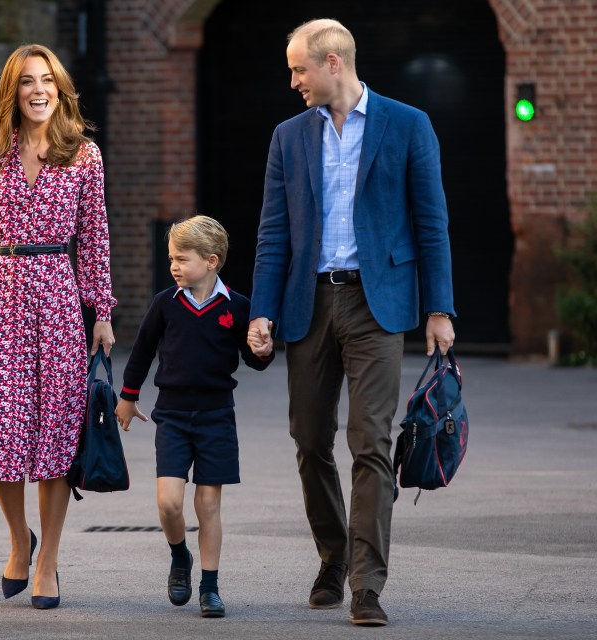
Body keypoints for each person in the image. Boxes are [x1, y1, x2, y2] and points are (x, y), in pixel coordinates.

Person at [248, 19, 456, 627]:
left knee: (370, 440)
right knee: (309, 440)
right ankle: (332, 555)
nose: (293, 82)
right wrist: (261, 310)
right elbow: (273, 233)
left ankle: (366, 583)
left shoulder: (409, 124)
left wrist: (439, 309)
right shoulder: (288, 137)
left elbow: (431, 222)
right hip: (307, 304)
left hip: (377, 303)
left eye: (299, 69)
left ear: (333, 62)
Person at [0, 44, 116, 610]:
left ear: (60, 90)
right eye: (27, 82)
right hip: (6, 300)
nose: (39, 91)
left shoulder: (84, 155)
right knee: (5, 434)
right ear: (11, 92)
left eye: (48, 81)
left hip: (59, 300)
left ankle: (50, 562)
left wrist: (102, 311)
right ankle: (19, 542)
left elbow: (94, 239)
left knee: (55, 441)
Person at [116, 215, 274, 619]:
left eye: (181, 259)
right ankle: (179, 555)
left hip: (217, 416)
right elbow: (142, 353)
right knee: (169, 504)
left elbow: (255, 362)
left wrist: (262, 349)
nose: (173, 266)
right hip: (171, 414)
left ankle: (210, 586)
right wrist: (128, 398)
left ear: (212, 261)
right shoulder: (164, 304)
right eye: (171, 258)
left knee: (207, 505)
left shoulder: (237, 307)